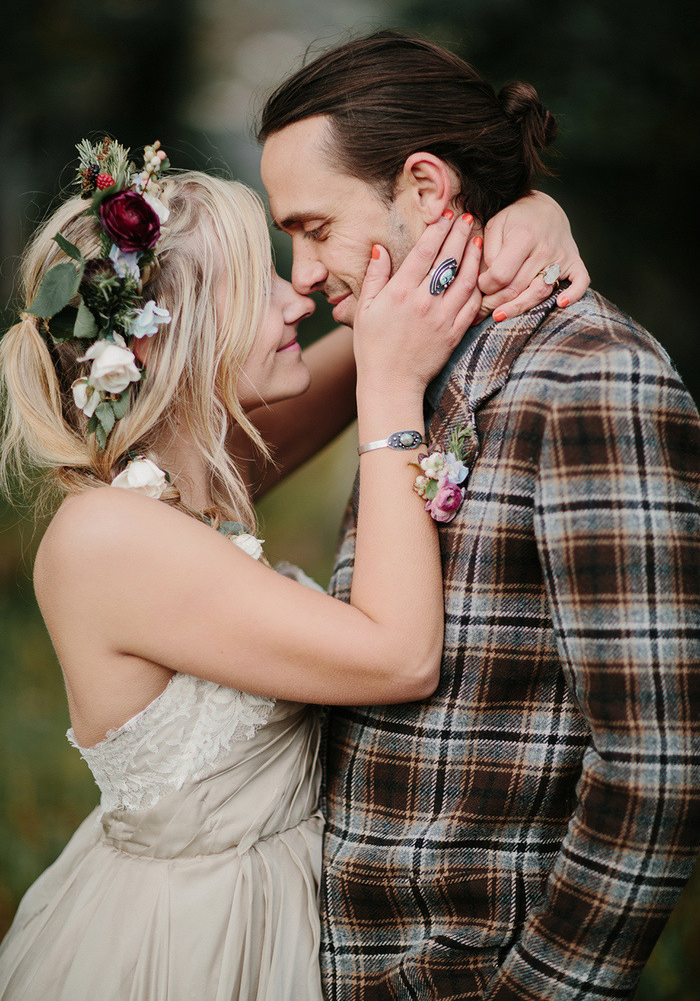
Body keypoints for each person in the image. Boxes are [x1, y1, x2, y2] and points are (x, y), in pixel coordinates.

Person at [0, 134, 564, 1000]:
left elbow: (389, 334)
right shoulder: (105, 536)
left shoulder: (184, 480)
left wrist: (512, 222)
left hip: (274, 905)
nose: (296, 295)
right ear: (165, 341)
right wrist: (390, 399)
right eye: (254, 284)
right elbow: (399, 657)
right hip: (192, 945)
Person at [257, 30, 700, 1000]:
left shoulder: (593, 376)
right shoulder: (417, 363)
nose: (298, 273)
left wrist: (542, 992)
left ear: (424, 187)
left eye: (312, 226)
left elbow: (658, 762)